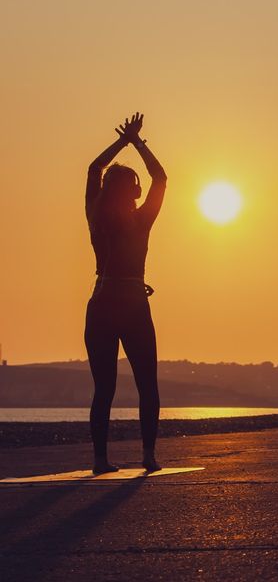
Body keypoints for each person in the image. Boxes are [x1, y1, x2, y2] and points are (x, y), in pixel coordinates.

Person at [84, 113, 166, 475]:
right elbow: (160, 178)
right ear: (133, 192)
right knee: (147, 382)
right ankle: (148, 455)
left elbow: (93, 168)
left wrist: (122, 142)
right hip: (132, 302)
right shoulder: (141, 221)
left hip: (102, 300)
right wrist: (136, 142)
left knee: (104, 388)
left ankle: (100, 460)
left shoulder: (96, 216)